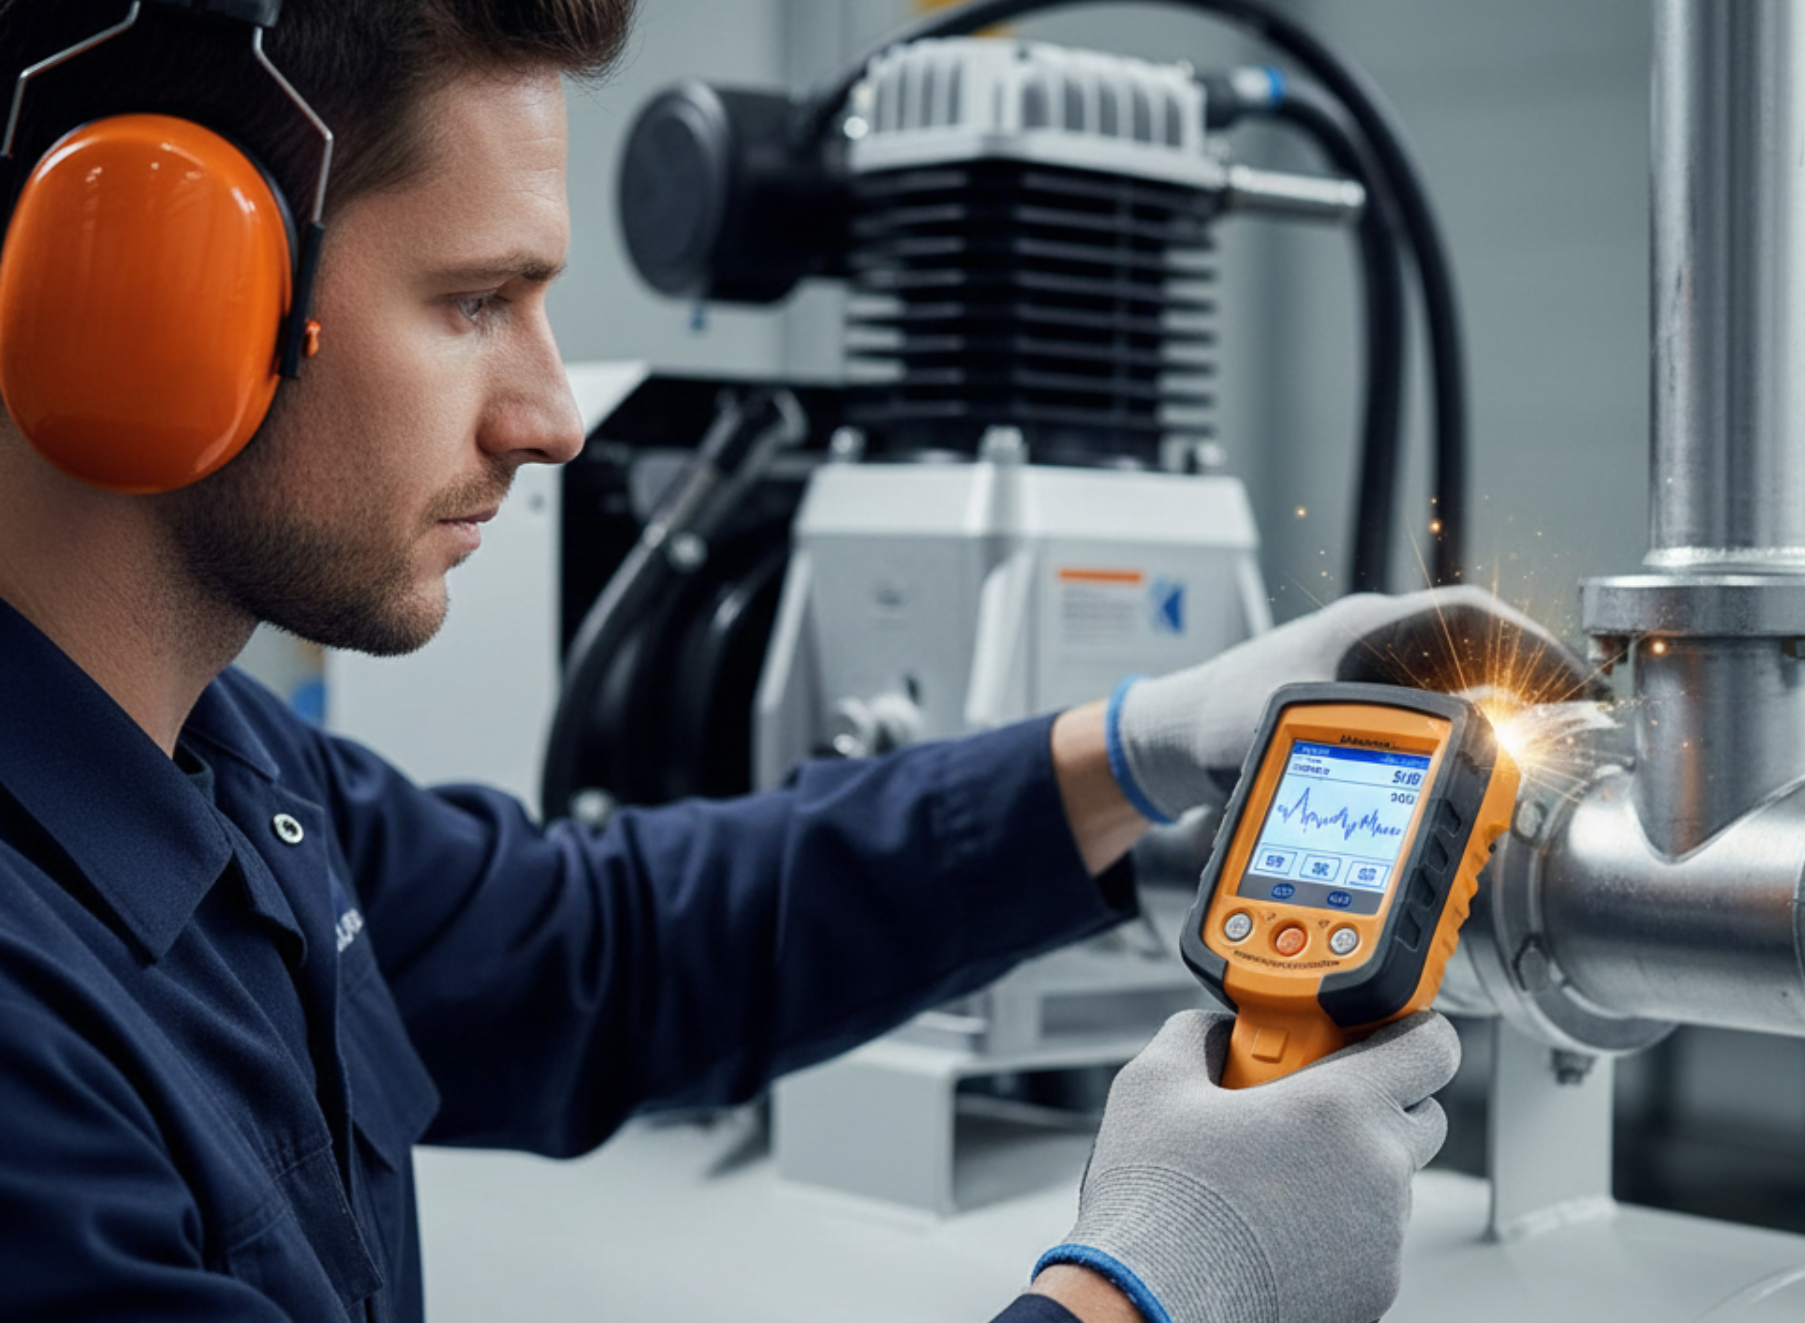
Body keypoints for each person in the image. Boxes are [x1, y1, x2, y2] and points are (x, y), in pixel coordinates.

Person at [0, 2, 1594, 1321]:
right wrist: (1156, 1288)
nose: (555, 418)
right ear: (156, 297)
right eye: (476, 301)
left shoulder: (228, 772)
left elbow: (601, 943)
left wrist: (1141, 740)